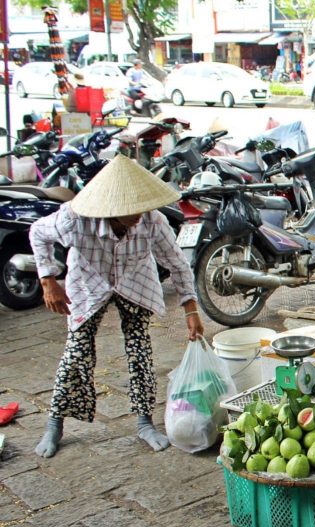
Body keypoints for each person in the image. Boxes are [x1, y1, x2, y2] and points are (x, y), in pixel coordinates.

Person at [29, 155, 203, 458]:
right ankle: (55, 423)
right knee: (77, 352)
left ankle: (144, 421)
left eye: (139, 207)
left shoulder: (152, 220)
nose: (137, 215)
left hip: (136, 281)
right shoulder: (73, 219)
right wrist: (48, 281)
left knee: (140, 348)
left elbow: (177, 262)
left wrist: (191, 309)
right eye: (128, 211)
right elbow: (37, 234)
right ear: (110, 210)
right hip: (88, 281)